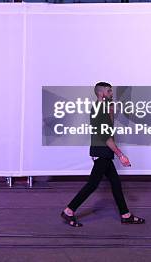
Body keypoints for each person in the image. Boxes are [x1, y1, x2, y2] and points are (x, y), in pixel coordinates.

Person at [60, 82, 145, 227]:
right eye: (109, 91)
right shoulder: (98, 110)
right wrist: (120, 155)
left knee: (115, 183)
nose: (112, 93)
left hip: (104, 152)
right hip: (102, 152)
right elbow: (106, 137)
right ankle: (69, 211)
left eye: (111, 91)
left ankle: (125, 215)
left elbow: (109, 127)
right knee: (93, 184)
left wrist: (111, 109)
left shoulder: (104, 108)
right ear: (101, 93)